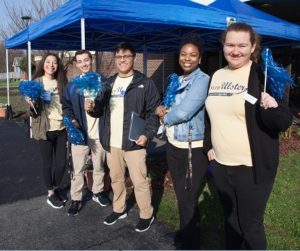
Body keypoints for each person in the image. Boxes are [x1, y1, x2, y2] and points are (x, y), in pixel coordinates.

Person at [204, 23, 293, 250]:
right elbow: (209, 116)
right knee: (231, 220)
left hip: (251, 167)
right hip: (222, 165)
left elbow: (283, 122)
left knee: (250, 225)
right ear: (223, 46)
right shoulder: (216, 75)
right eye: (230, 45)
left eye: (242, 45)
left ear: (253, 46)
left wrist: (273, 107)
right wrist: (208, 146)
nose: (236, 51)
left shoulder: (262, 75)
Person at [98, 42, 160, 232]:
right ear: (115, 59)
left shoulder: (145, 83)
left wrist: (147, 135)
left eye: (126, 56)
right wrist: (92, 108)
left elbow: (154, 113)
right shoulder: (108, 83)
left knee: (139, 181)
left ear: (134, 57)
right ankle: (119, 209)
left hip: (134, 143)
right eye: (118, 57)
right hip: (112, 143)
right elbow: (100, 111)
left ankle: (146, 214)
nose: (122, 60)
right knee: (116, 179)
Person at [156, 33, 210, 249]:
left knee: (188, 196)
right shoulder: (177, 79)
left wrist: (164, 116)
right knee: (182, 194)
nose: (187, 58)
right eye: (183, 54)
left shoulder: (203, 80)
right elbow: (169, 104)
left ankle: (191, 242)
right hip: (173, 144)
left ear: (200, 59)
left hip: (191, 148)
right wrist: (161, 108)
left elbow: (185, 111)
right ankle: (185, 232)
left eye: (193, 55)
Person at [62, 50, 111, 216]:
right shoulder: (72, 85)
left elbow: (108, 105)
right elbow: (66, 107)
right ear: (76, 64)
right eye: (80, 61)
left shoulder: (102, 81)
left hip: (98, 133)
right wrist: (73, 121)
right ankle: (76, 198)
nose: (84, 64)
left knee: (99, 166)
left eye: (86, 60)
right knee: (78, 169)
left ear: (91, 60)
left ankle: (97, 192)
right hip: (81, 135)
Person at [26, 52, 68, 209]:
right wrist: (31, 103)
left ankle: (56, 188)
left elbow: (68, 104)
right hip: (45, 129)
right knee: (47, 163)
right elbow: (33, 112)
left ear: (58, 66)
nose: (51, 65)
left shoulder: (62, 82)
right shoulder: (36, 82)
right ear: (43, 64)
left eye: (55, 62)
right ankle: (51, 193)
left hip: (62, 129)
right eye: (48, 62)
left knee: (62, 164)